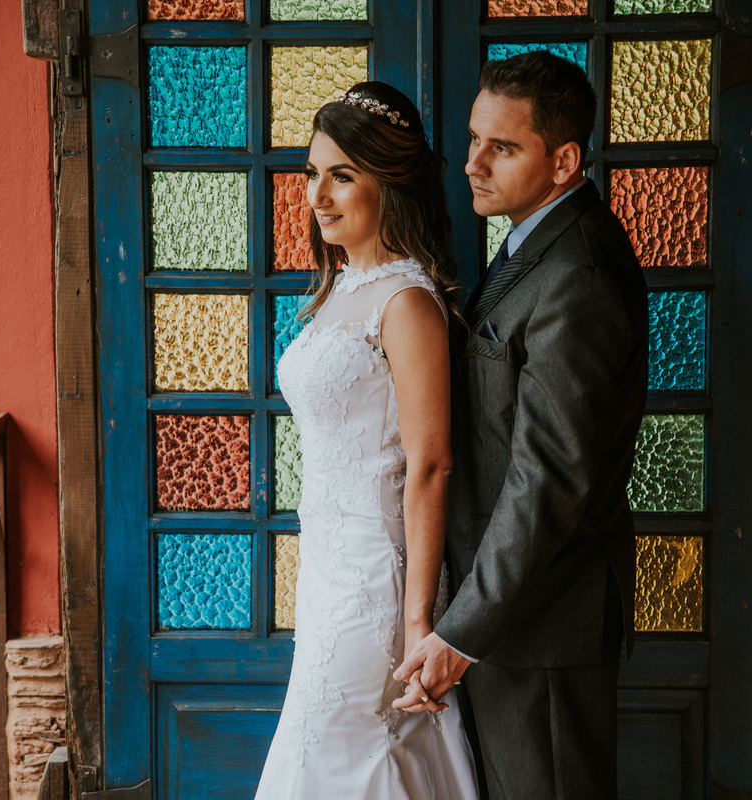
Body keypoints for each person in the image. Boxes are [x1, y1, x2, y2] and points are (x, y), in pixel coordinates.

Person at [393, 51, 649, 799]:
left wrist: (463, 631)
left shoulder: (579, 275)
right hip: (507, 610)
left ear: (564, 159)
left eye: (501, 147)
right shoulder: (529, 245)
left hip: (542, 620)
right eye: (475, 139)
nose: (473, 163)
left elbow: (549, 476)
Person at [254, 81, 479, 800]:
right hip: (327, 572)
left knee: (335, 755)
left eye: (342, 175)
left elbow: (432, 462)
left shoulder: (407, 302)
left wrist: (419, 621)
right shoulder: (344, 286)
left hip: (378, 588)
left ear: (391, 184)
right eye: (313, 173)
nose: (318, 195)